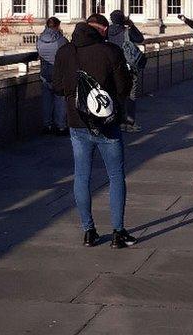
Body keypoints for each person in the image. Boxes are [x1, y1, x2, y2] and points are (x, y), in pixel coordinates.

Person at [53, 15, 135, 250]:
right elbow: (123, 88)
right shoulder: (110, 51)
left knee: (81, 176)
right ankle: (118, 233)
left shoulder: (65, 52)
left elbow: (57, 87)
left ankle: (88, 231)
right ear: (104, 29)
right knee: (116, 176)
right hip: (106, 124)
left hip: (77, 123)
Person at [105, 10, 145, 133]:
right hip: (128, 67)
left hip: (113, 68)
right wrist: (132, 25)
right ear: (123, 19)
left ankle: (119, 121)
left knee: (117, 95)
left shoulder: (106, 32)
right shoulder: (127, 31)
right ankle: (130, 123)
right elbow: (140, 39)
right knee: (130, 95)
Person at [37, 17, 68, 136]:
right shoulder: (61, 40)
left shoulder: (39, 39)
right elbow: (66, 54)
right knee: (60, 100)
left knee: (46, 101)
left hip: (44, 74)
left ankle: (47, 125)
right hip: (58, 74)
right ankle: (60, 126)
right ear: (57, 26)